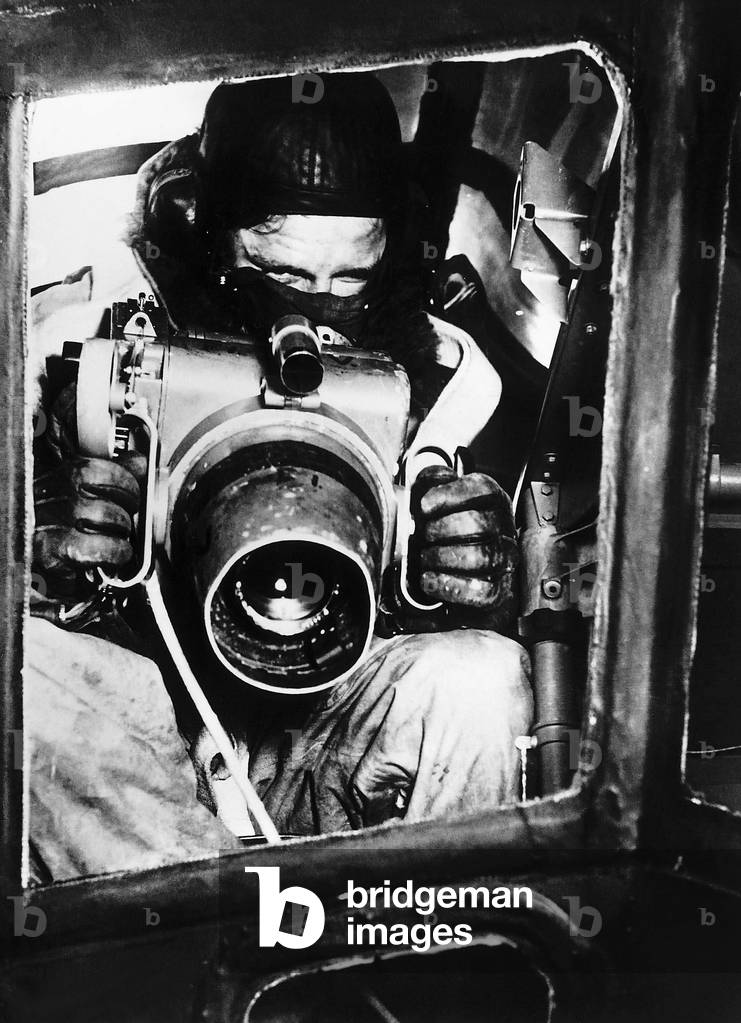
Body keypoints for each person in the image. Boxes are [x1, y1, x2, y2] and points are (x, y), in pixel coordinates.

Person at [29, 72, 533, 877]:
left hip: (313, 739)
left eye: (351, 285)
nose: (316, 320)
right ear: (201, 233)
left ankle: (425, 967)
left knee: (480, 678)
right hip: (135, 762)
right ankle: (207, 947)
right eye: (282, 279)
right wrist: (33, 555)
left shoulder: (450, 382)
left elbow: (478, 608)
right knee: (29, 670)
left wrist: (469, 578)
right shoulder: (82, 340)